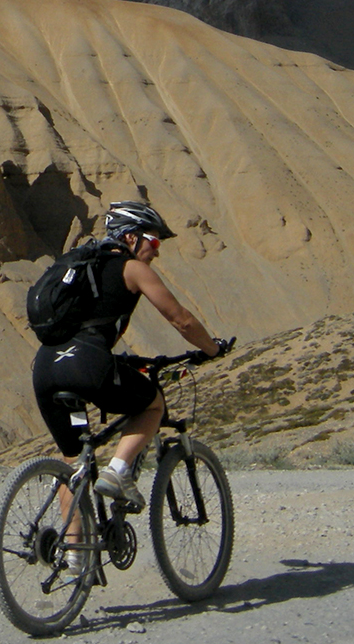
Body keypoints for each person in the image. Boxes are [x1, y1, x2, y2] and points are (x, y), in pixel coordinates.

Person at [30, 201, 229, 580]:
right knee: (152, 404)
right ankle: (119, 472)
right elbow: (180, 319)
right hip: (87, 364)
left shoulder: (79, 265)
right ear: (132, 237)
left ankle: (75, 559)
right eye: (154, 240)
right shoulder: (131, 268)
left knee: (74, 461)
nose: (157, 249)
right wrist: (212, 349)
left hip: (46, 368)